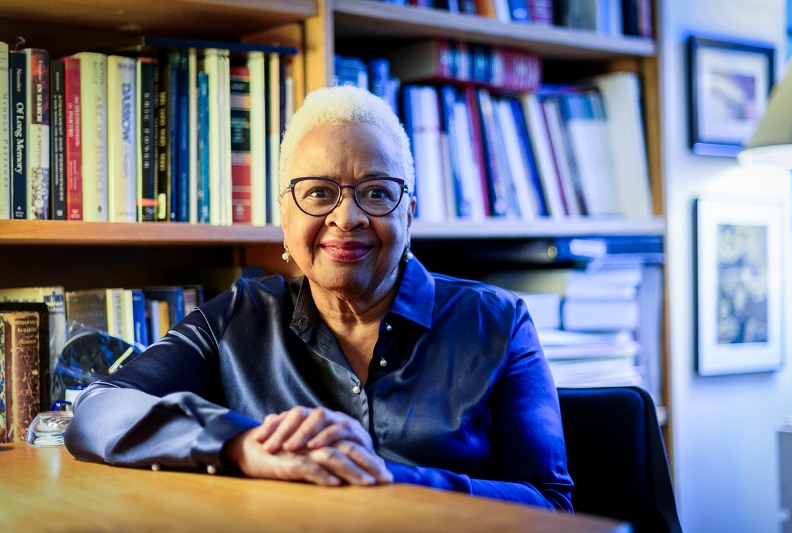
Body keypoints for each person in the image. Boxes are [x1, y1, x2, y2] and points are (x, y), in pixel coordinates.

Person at [64, 85, 573, 510]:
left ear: (409, 214)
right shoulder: (237, 318)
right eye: (319, 192)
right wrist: (240, 445)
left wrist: (392, 480)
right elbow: (97, 410)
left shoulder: (499, 322)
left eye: (376, 192)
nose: (347, 217)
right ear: (285, 216)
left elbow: (551, 504)